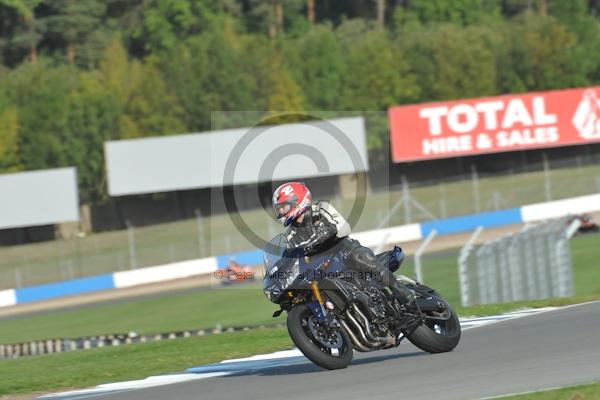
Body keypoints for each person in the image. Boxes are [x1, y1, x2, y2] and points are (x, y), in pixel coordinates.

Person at [272, 181, 416, 311]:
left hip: (344, 252)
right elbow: (291, 257)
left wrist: (317, 240)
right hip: (323, 267)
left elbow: (343, 228)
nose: (280, 212)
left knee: (358, 256)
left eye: (283, 206)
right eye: (279, 208)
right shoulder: (290, 234)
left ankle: (399, 288)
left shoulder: (321, 209)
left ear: (296, 201)